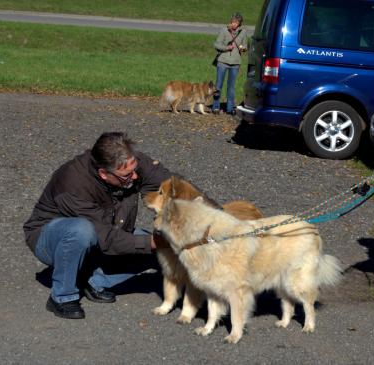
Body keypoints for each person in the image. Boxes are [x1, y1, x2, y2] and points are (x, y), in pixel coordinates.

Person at [23, 132, 207, 319]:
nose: (135, 176)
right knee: (81, 231)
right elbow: (107, 239)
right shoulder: (73, 182)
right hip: (51, 239)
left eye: (135, 169)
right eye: (127, 175)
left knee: (162, 250)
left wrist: (216, 220)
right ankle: (62, 296)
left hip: (107, 231)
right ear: (104, 173)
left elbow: (178, 187)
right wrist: (158, 241)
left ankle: (93, 280)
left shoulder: (129, 164)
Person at [211, 12, 248, 115]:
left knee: (231, 87)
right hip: (222, 61)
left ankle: (230, 108)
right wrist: (227, 48)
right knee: (218, 85)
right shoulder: (224, 30)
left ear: (240, 23)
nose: (234, 24)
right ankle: (215, 107)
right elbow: (216, 44)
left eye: (236, 22)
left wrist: (243, 48)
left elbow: (245, 45)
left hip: (235, 63)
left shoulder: (243, 32)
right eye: (232, 22)